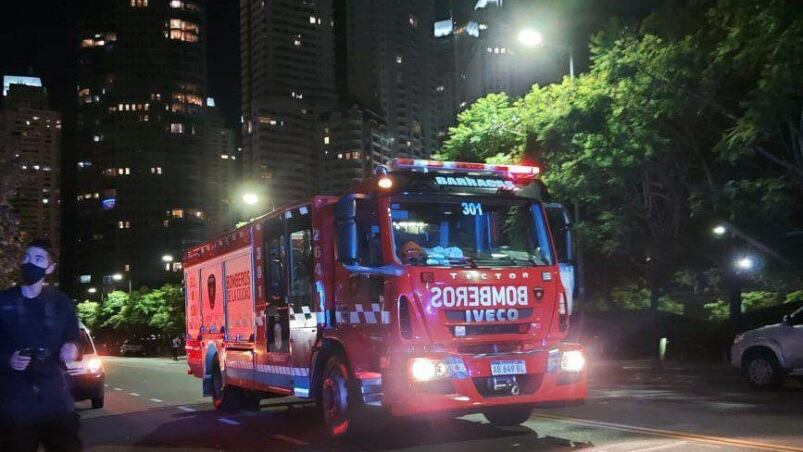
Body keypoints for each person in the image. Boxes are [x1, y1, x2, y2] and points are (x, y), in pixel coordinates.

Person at [0, 239, 82, 451]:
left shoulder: (61, 303)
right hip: (15, 406)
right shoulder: (4, 301)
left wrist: (72, 349)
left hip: (56, 402)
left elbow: (74, 338)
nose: (30, 264)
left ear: (50, 268)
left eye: (38, 259)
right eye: (26, 258)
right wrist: (8, 358)